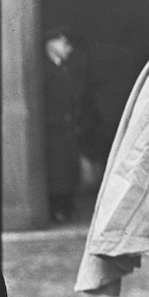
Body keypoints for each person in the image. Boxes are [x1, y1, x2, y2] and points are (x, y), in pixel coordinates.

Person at [43, 26, 95, 223]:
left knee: (69, 171)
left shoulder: (67, 67)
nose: (69, 48)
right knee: (56, 171)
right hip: (53, 129)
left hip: (69, 129)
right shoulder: (42, 69)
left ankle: (66, 208)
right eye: (64, 43)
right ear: (51, 44)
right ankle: (57, 210)